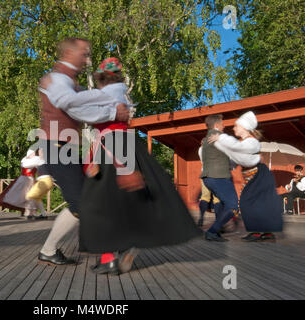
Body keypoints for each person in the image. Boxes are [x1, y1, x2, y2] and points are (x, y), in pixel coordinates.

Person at [77, 58, 201, 275]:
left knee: (97, 203)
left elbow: (90, 114)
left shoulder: (110, 93)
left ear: (104, 78)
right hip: (121, 144)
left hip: (113, 146)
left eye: (98, 79)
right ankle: (121, 247)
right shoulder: (119, 92)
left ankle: (110, 258)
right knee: (120, 200)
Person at [36, 37, 131, 267]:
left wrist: (109, 109)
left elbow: (79, 107)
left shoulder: (68, 79)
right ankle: (113, 247)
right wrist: (111, 108)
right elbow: (71, 103)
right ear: (70, 54)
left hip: (64, 146)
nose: (87, 59)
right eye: (84, 54)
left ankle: (50, 250)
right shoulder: (58, 79)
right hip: (56, 146)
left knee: (84, 199)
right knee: (82, 202)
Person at [208, 111, 283, 241]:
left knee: (249, 202)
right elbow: (236, 157)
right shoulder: (242, 142)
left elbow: (238, 151)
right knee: (255, 203)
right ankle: (265, 232)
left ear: (244, 127)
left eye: (236, 126)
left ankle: (258, 232)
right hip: (251, 175)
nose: (233, 128)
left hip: (259, 174)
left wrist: (220, 139)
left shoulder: (252, 142)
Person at [200, 114, 239, 242]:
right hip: (219, 177)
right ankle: (212, 231)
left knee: (222, 205)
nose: (224, 125)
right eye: (222, 123)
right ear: (216, 126)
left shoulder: (206, 140)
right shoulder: (219, 138)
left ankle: (216, 231)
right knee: (233, 206)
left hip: (208, 178)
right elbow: (234, 153)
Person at [0, 149, 48, 219]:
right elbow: (28, 165)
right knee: (23, 195)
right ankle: (28, 212)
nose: (33, 155)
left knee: (26, 196)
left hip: (26, 179)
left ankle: (29, 212)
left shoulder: (30, 159)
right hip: (26, 179)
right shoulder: (29, 160)